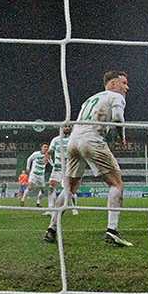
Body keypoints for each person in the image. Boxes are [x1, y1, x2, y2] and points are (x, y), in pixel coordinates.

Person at [44, 70, 132, 247]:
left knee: (70, 188)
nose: (127, 87)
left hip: (73, 141)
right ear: (112, 84)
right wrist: (122, 136)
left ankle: (51, 229)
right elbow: (117, 117)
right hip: (92, 139)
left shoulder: (90, 99)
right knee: (116, 184)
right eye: (123, 83)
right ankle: (112, 230)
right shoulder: (116, 97)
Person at [47, 125, 77, 214]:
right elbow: (50, 152)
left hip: (69, 168)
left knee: (70, 189)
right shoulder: (55, 140)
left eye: (68, 127)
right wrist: (51, 162)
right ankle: (50, 209)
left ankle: (74, 208)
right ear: (61, 128)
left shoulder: (73, 139)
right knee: (51, 187)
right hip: (58, 168)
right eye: (65, 126)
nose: (67, 128)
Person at [22, 143, 49, 208]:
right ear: (41, 147)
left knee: (43, 190)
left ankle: (38, 202)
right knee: (30, 187)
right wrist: (28, 167)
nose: (46, 148)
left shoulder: (47, 155)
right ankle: (22, 200)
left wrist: (53, 165)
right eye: (44, 147)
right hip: (34, 174)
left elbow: (50, 161)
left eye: (47, 147)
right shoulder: (36, 154)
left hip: (41, 175)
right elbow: (29, 159)